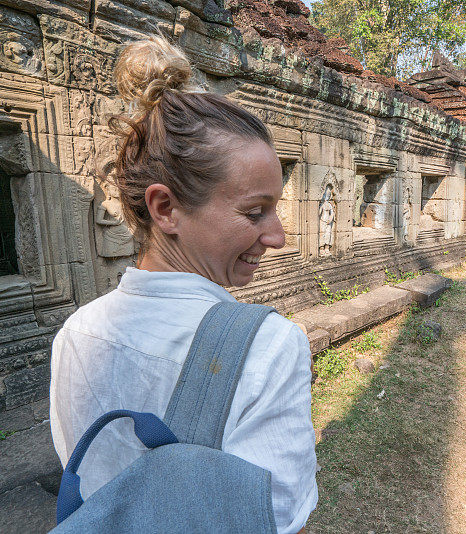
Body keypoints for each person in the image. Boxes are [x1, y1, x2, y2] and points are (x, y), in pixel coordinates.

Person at [49, 35, 317, 534]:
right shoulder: (267, 347)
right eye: (254, 211)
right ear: (165, 208)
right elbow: (277, 522)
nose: (277, 236)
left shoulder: (78, 333)